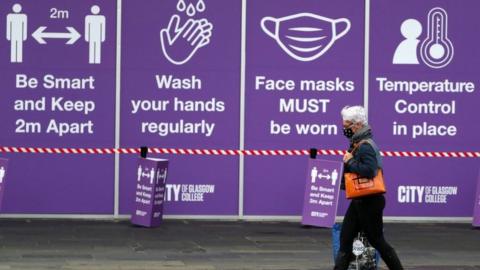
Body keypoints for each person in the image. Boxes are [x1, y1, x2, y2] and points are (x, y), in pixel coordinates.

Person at [334, 105, 403, 270]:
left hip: (370, 202)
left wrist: (350, 161)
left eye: (346, 125)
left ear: (357, 125)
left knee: (377, 241)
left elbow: (370, 171)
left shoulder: (365, 145)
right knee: (345, 240)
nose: (344, 128)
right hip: (359, 201)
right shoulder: (357, 143)